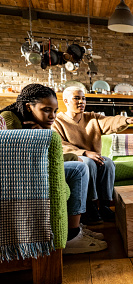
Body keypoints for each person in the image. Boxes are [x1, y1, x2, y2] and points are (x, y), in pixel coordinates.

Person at [0, 83, 107, 254]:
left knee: (78, 165)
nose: (53, 116)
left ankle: (76, 227)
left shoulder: (32, 120)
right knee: (78, 169)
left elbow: (45, 156)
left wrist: (44, 131)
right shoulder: (10, 118)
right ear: (29, 107)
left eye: (55, 111)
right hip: (22, 177)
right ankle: (71, 237)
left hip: (35, 168)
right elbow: (18, 159)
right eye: (47, 110)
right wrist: (39, 135)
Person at [52, 86, 133, 225]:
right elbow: (60, 145)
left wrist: (127, 121)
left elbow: (110, 122)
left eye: (83, 98)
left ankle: (105, 206)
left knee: (107, 162)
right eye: (77, 98)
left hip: (92, 156)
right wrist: (84, 152)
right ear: (65, 101)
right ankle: (90, 207)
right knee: (88, 162)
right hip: (73, 158)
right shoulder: (57, 121)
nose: (81, 102)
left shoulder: (92, 117)